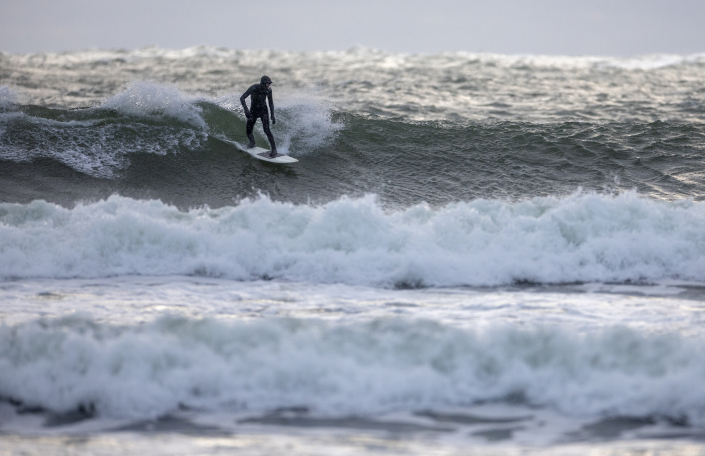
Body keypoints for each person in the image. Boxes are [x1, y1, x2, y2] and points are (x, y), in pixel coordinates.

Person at [240, 75, 278, 158]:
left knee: (266, 130)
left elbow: (270, 102)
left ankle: (274, 149)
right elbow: (242, 98)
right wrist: (246, 110)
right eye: (268, 84)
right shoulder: (254, 88)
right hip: (253, 111)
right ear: (263, 83)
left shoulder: (268, 90)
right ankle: (252, 142)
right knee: (249, 130)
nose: (269, 85)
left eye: (269, 84)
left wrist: (272, 114)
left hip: (263, 110)